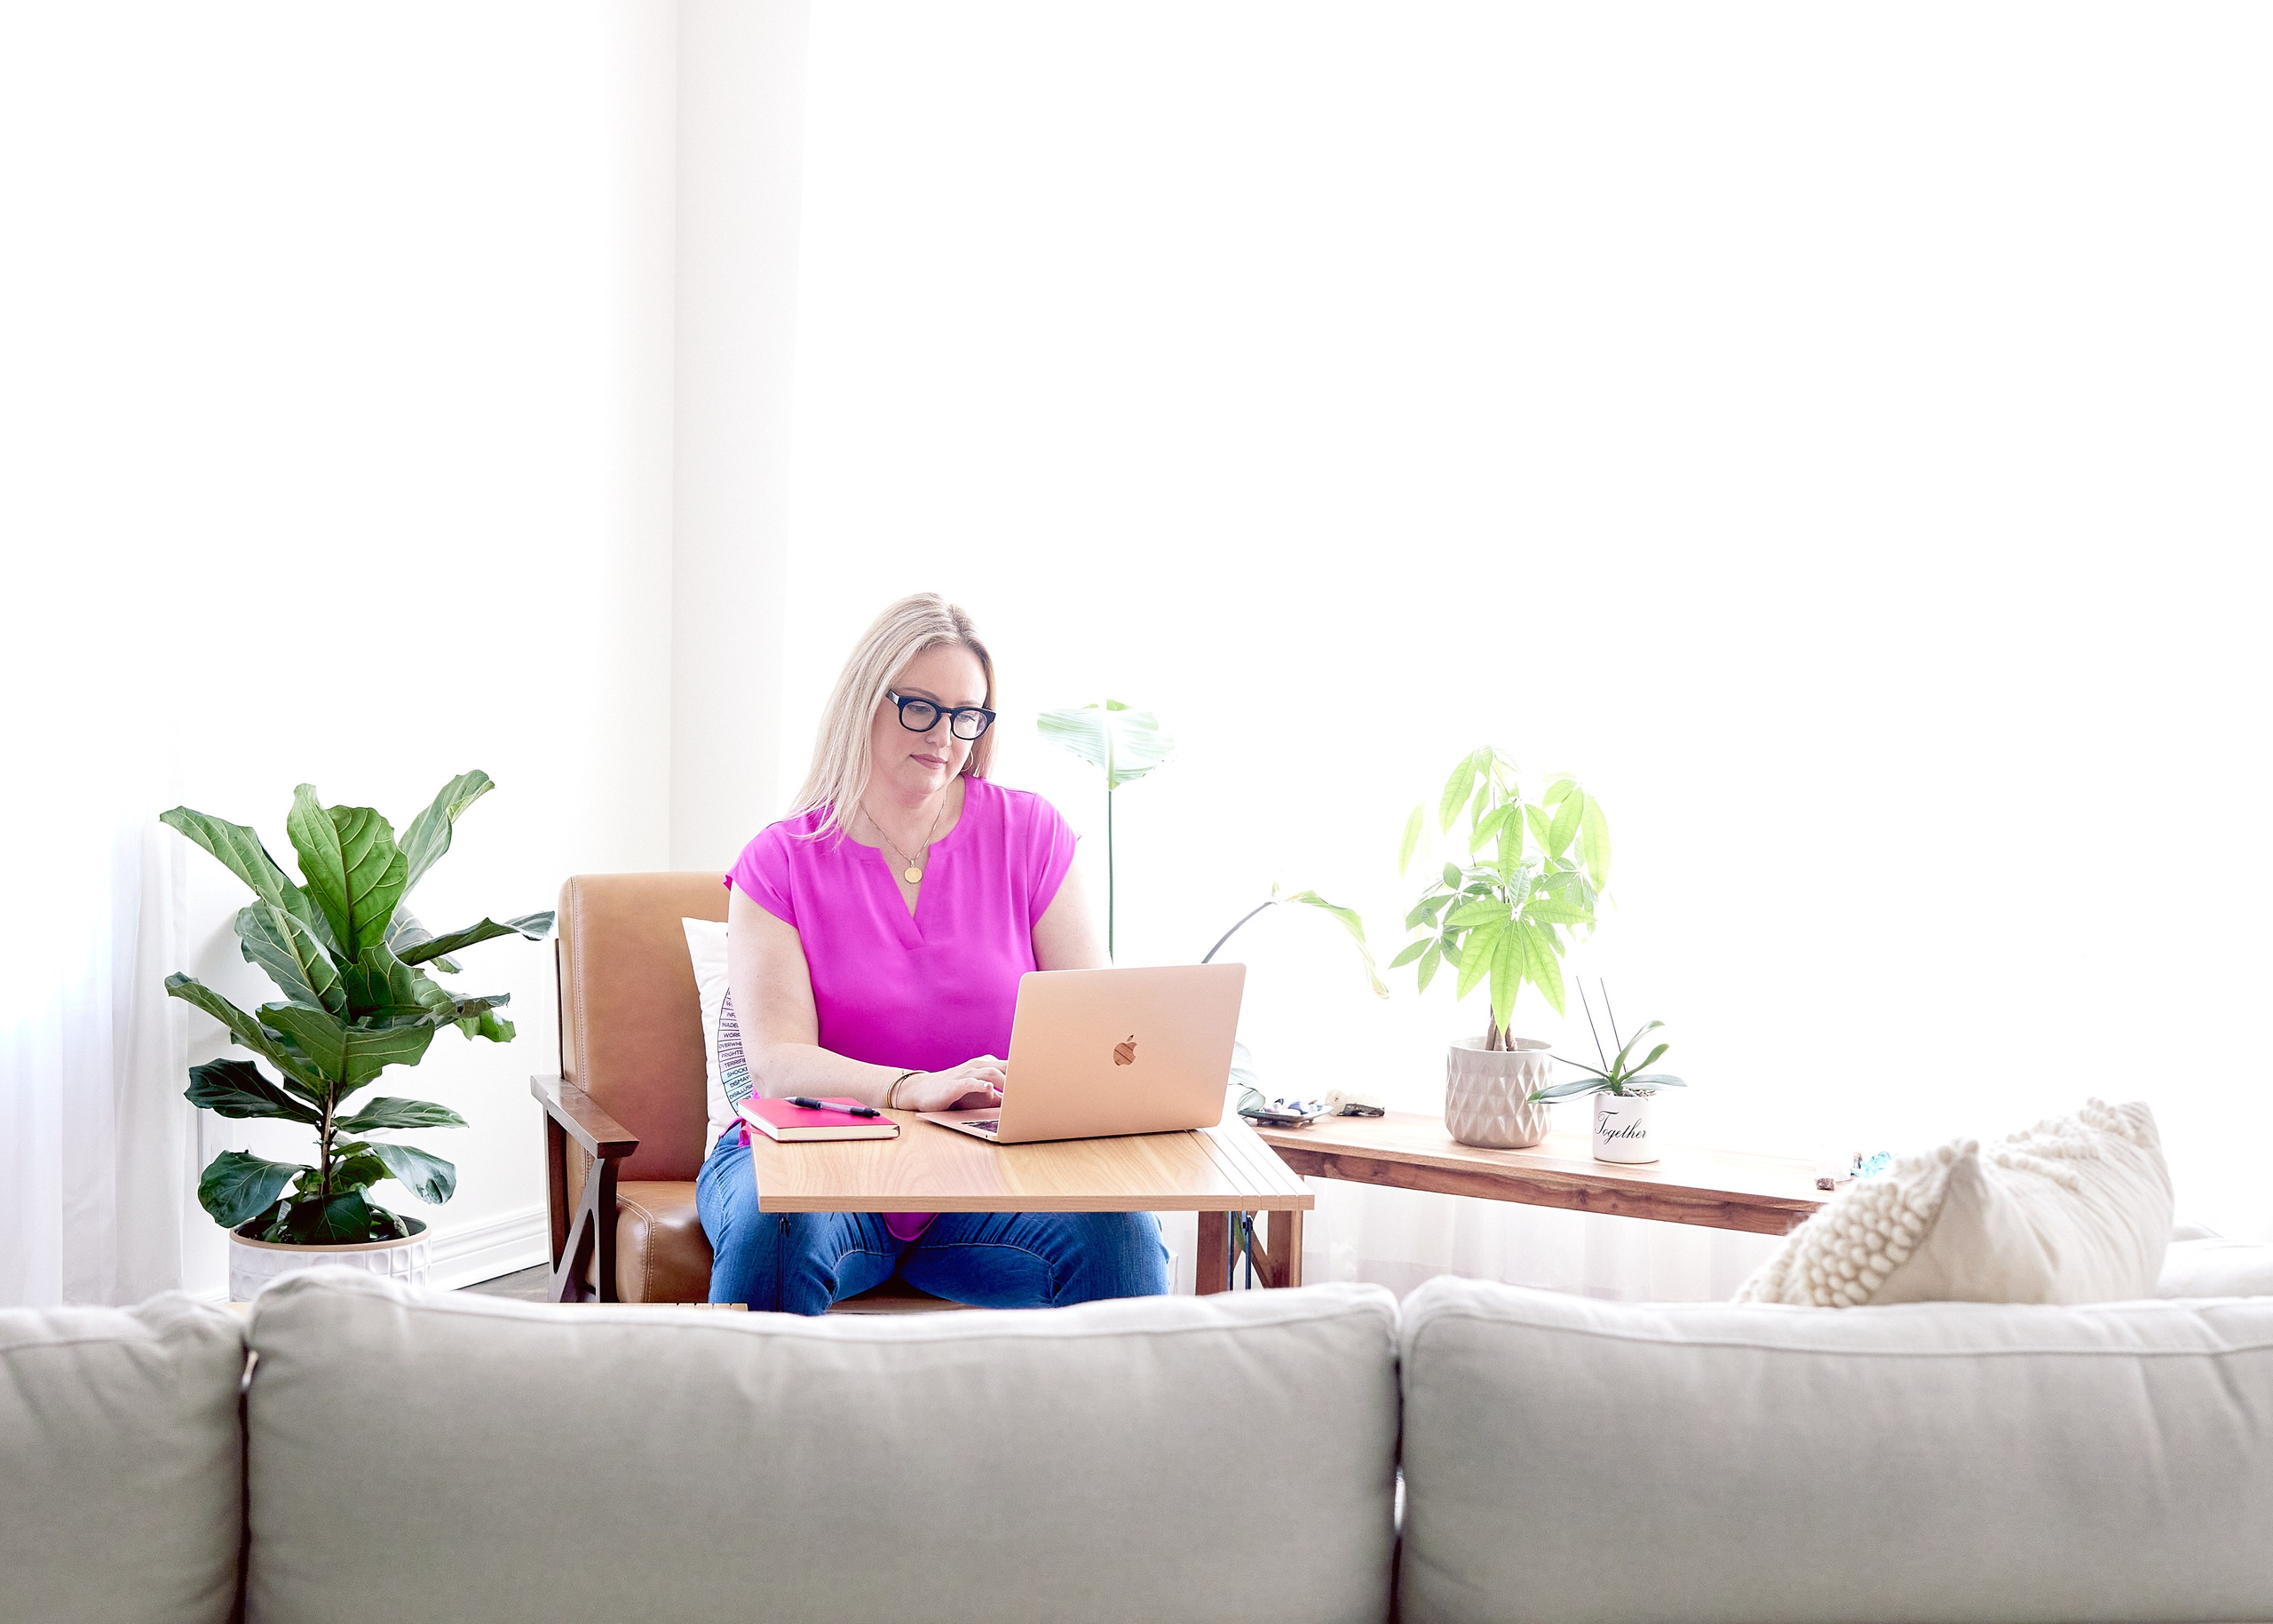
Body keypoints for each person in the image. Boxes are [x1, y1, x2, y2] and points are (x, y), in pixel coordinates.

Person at [695, 593, 1171, 1311]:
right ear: (866, 701)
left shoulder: (1031, 834)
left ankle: (1115, 1429)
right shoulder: (780, 861)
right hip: (824, 1166)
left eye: (966, 714)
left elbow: (1090, 1031)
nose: (945, 735)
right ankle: (746, 1427)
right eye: (919, 706)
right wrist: (907, 1085)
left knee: (1122, 1233)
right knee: (775, 1225)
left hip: (980, 1181)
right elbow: (778, 1060)